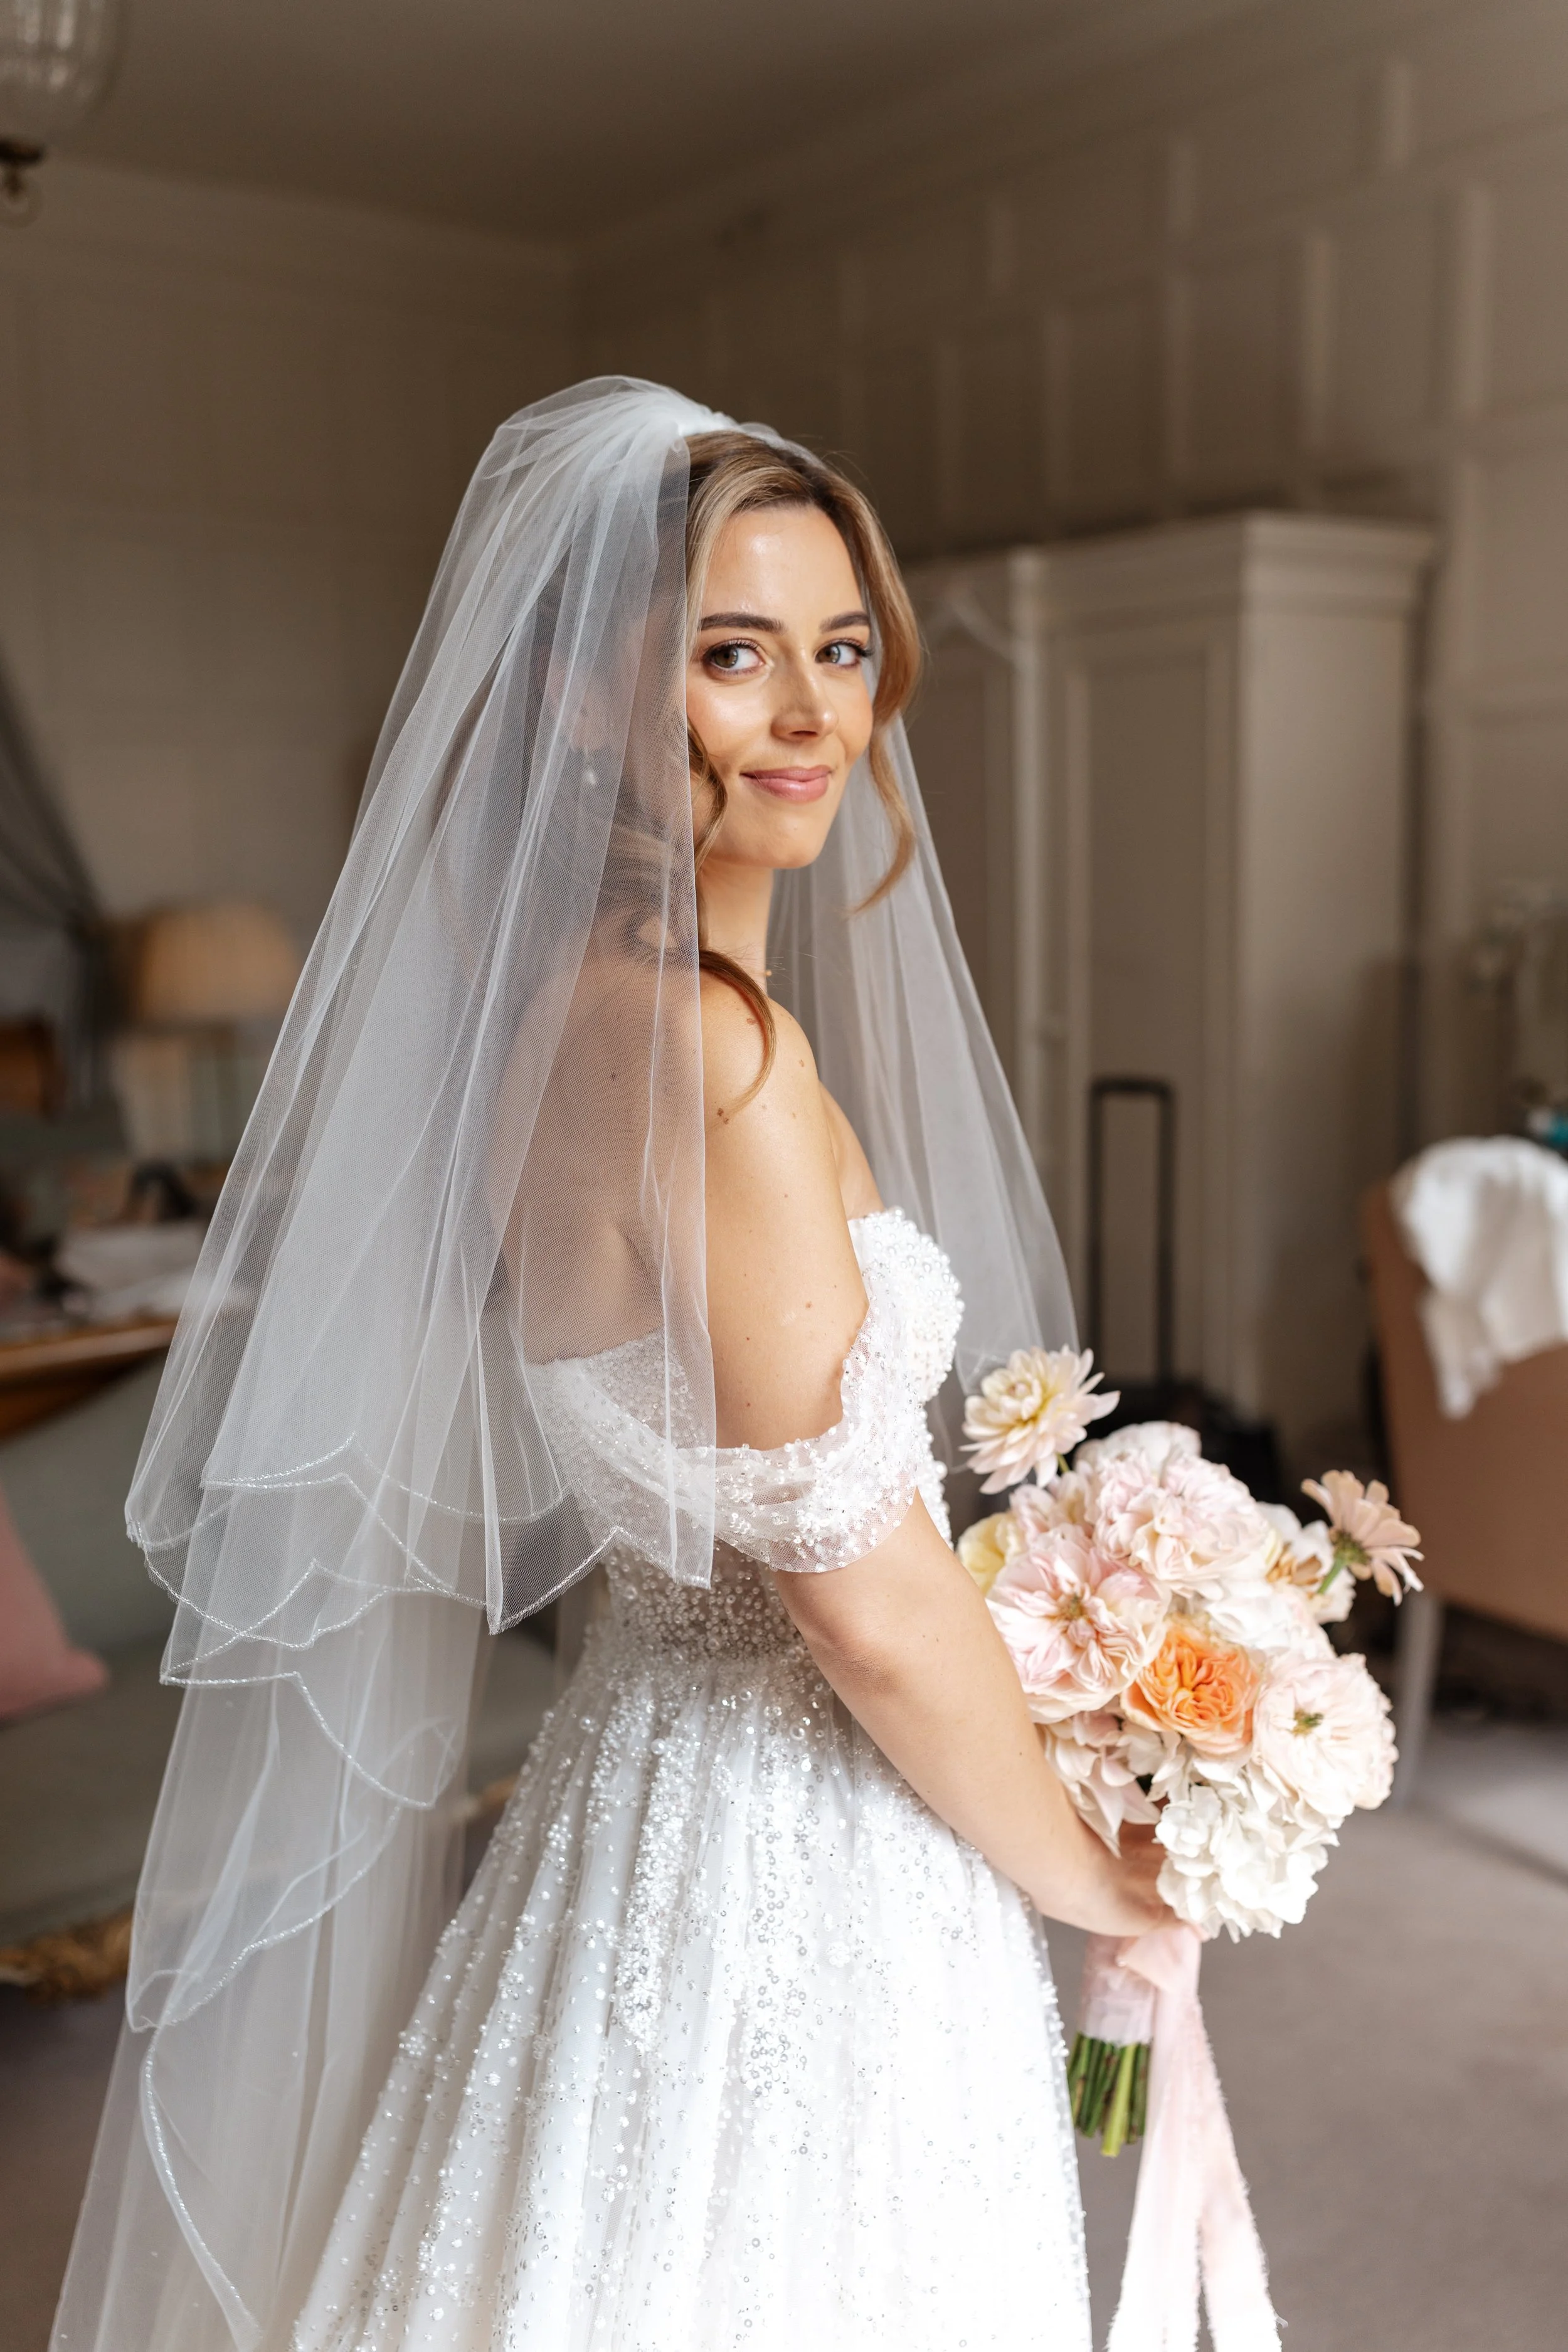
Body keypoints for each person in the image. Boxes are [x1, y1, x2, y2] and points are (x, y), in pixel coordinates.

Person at [53, 381, 1167, 2352]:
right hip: (800, 1857)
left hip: (625, 1787)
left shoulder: (551, 1028)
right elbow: (868, 1604)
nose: (816, 716)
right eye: (734, 656)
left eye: (841, 650)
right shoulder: (722, 1061)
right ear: (587, 698)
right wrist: (1100, 1875)